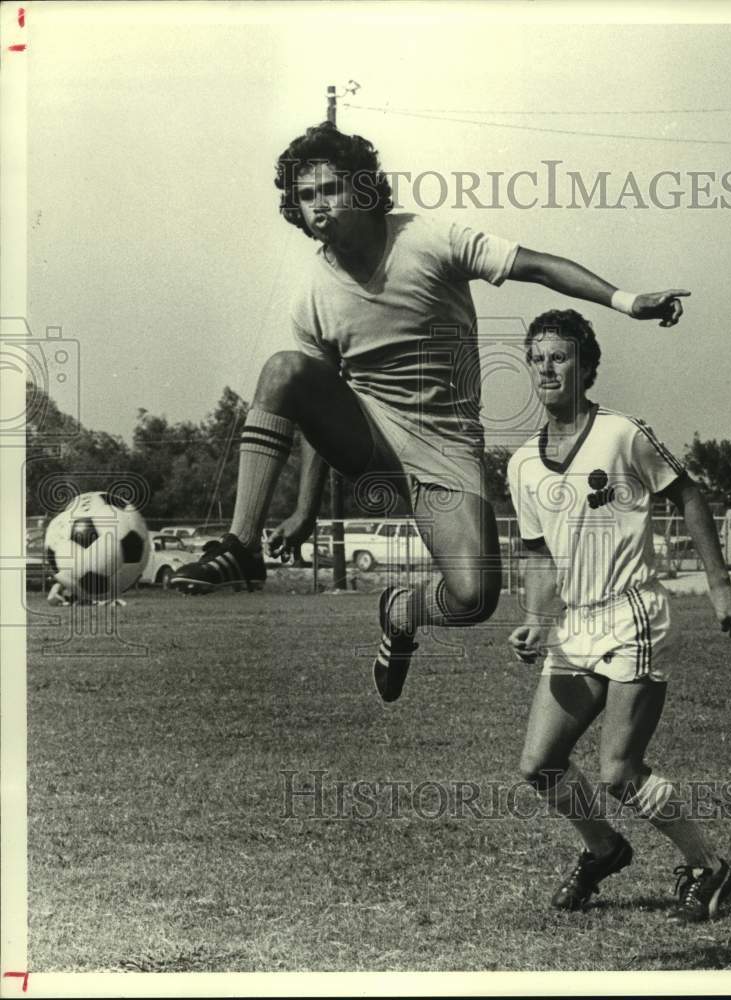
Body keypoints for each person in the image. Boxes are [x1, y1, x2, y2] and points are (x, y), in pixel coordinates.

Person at [171, 121, 690, 704]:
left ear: (364, 189)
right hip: (370, 440)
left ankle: (400, 612)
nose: (318, 206)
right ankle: (240, 546)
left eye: (331, 189)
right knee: (285, 370)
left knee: (474, 599)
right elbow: (318, 408)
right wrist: (304, 507)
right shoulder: (312, 294)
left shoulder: (429, 239)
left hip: (446, 452)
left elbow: (538, 265)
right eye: (306, 196)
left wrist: (626, 301)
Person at [506, 308, 731, 923]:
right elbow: (538, 554)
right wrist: (538, 619)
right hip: (577, 625)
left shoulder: (621, 433)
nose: (546, 369)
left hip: (632, 615)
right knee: (541, 765)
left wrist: (720, 586)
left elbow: (688, 493)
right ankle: (605, 848)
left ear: (586, 366)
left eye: (559, 357)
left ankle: (708, 866)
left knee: (617, 771)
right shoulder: (522, 465)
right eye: (537, 359)